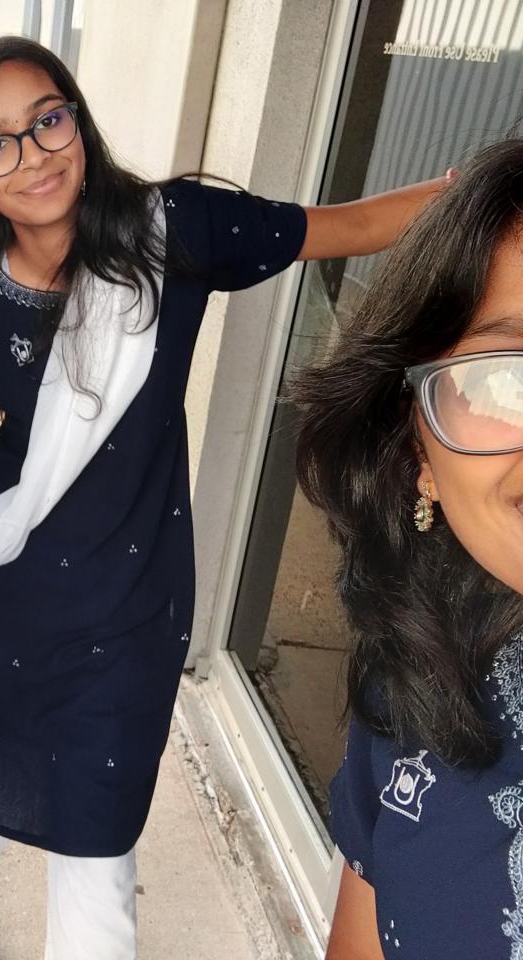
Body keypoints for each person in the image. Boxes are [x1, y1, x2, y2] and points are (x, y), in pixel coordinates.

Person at [0, 35, 447, 959]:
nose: (33, 155)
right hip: (7, 598)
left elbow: (345, 225)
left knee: (98, 842)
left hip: (131, 606)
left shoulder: (169, 234)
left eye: (48, 120)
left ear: (77, 119)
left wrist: (480, 192)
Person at [294, 138, 523, 960]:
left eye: (48, 123)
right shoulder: (418, 679)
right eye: (506, 377)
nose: (34, 158)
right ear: (418, 448)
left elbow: (324, 227)